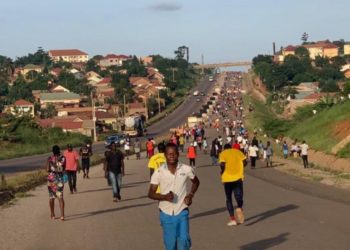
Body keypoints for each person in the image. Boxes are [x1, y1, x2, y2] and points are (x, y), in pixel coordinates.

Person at [148, 143, 200, 250]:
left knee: (184, 240)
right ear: (165, 155)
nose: (171, 156)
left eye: (174, 154)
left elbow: (196, 182)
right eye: (169, 154)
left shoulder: (186, 169)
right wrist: (164, 197)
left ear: (178, 154)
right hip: (166, 213)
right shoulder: (159, 172)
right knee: (170, 245)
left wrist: (190, 195)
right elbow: (150, 193)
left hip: (182, 210)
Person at [219, 144, 246, 226]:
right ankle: (239, 207)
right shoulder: (238, 152)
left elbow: (222, 164)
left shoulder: (223, 153)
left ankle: (233, 219)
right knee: (239, 195)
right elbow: (245, 162)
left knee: (229, 198)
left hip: (227, 178)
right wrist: (239, 167)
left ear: (224, 148)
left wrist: (222, 171)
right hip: (238, 177)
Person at [47, 145, 66, 221]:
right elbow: (63, 168)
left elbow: (47, 169)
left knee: (51, 197)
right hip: (60, 179)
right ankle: (62, 215)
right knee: (60, 196)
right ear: (59, 150)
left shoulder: (49, 158)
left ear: (52, 151)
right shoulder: (63, 158)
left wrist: (52, 169)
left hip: (51, 180)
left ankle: (53, 214)